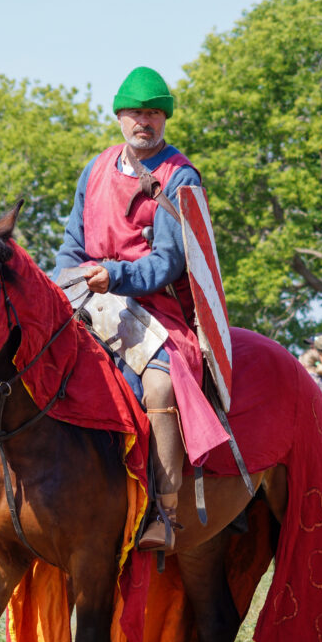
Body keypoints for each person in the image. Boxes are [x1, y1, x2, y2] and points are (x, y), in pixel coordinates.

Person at [54, 67, 226, 552]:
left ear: (163, 119)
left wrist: (117, 275)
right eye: (135, 113)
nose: (142, 122)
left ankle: (165, 512)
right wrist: (58, 288)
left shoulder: (180, 176)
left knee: (159, 382)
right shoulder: (95, 168)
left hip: (157, 308)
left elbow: (171, 261)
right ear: (120, 117)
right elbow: (72, 246)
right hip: (90, 298)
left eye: (152, 113)